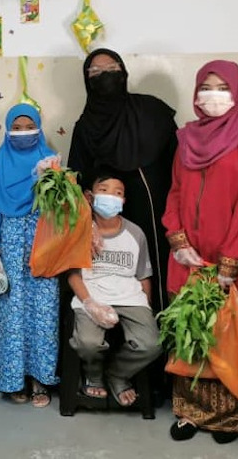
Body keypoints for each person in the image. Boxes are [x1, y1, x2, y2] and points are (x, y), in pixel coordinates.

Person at [163, 60, 238, 444]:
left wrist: (230, 262)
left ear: (237, 92)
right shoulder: (186, 139)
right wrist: (178, 240)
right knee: (194, 334)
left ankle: (233, 417)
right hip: (192, 258)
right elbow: (177, 191)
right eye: (206, 86)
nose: (213, 95)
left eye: (222, 87)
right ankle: (192, 413)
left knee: (234, 337)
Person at [67, 48, 177, 316]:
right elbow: (77, 180)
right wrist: (88, 224)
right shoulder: (85, 127)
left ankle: (155, 344)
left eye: (112, 69)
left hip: (154, 213)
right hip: (104, 220)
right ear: (86, 80)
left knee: (155, 273)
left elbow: (177, 165)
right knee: (104, 277)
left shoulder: (152, 112)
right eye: (96, 72)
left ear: (124, 73)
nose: (105, 75)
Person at [0, 103, 60, 407]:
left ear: (39, 127)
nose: (24, 132)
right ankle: (13, 378)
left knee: (44, 311)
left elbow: (63, 206)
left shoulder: (49, 160)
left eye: (30, 126)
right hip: (12, 246)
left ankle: (41, 378)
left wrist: (52, 178)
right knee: (14, 312)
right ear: (7, 128)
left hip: (45, 242)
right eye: (18, 126)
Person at [67, 169, 161, 406]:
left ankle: (118, 374)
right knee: (88, 343)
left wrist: (146, 308)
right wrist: (89, 303)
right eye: (104, 190)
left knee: (152, 344)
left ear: (124, 200)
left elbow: (144, 276)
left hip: (130, 297)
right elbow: (73, 275)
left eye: (117, 193)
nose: (111, 197)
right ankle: (94, 375)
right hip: (92, 295)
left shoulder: (135, 233)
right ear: (89, 196)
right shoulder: (80, 232)